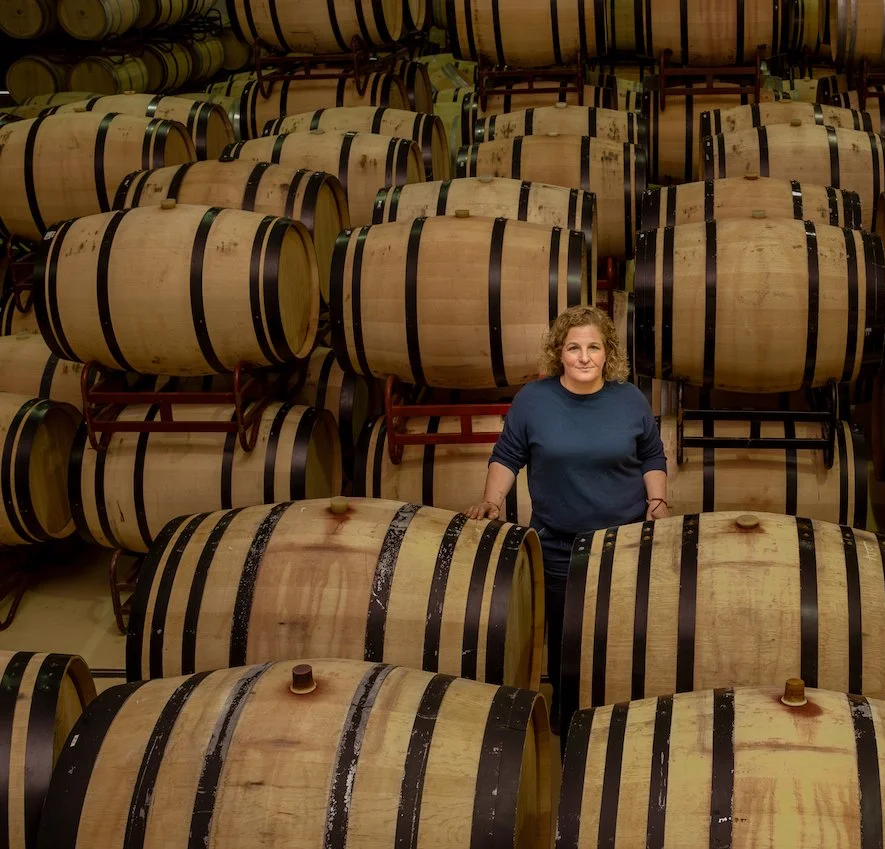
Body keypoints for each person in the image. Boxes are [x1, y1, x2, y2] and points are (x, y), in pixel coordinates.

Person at [466, 305, 668, 736]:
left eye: (593, 347)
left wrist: (658, 500)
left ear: (607, 352)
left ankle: (621, 725)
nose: (583, 357)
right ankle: (568, 732)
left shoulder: (629, 399)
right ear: (559, 352)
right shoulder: (533, 401)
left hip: (624, 544)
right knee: (563, 645)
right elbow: (507, 456)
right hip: (559, 545)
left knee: (624, 637)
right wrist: (491, 501)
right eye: (573, 347)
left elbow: (652, 454)